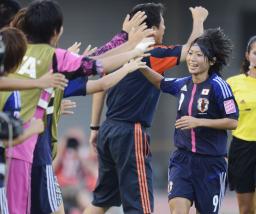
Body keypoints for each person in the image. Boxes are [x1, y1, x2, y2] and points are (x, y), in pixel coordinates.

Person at [4, 1, 152, 213]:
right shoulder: (55, 58)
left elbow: (93, 64)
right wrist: (134, 49)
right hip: (31, 150)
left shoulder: (16, 56)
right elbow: (97, 64)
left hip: (10, 145)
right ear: (57, 31)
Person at [84, 3, 208, 214]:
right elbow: (193, 51)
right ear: (152, 29)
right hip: (130, 133)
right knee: (140, 206)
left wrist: (95, 128)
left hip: (108, 130)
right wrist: (198, 20)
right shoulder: (153, 54)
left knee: (101, 201)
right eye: (162, 24)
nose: (164, 29)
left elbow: (100, 87)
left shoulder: (117, 53)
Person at [140, 28, 239, 214]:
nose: (192, 59)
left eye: (199, 55)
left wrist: (199, 122)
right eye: (191, 54)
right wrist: (141, 66)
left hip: (211, 164)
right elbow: (160, 82)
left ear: (211, 60)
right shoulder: (183, 84)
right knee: (177, 210)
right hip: (182, 161)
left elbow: (233, 121)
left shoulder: (220, 87)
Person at [227, 35, 256, 214]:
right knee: (245, 209)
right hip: (242, 147)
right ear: (247, 55)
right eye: (255, 52)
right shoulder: (233, 84)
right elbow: (224, 115)